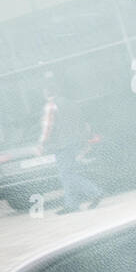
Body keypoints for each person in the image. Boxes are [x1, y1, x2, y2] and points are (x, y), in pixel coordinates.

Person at [38, 86, 102, 214]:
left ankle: (95, 192)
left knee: (67, 174)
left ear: (45, 93)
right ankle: (71, 204)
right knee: (67, 173)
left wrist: (42, 143)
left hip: (62, 144)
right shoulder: (70, 103)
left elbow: (48, 127)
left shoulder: (51, 106)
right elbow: (82, 121)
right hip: (75, 142)